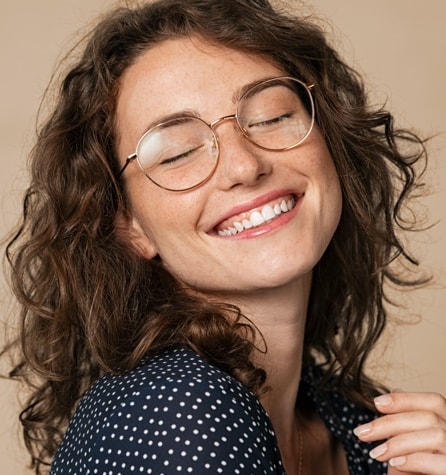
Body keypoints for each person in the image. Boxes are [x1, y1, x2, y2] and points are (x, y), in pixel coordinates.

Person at [2, 0, 445, 473]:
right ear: (129, 225)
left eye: (271, 116)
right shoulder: (174, 413)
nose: (244, 165)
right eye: (177, 153)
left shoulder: (354, 422)